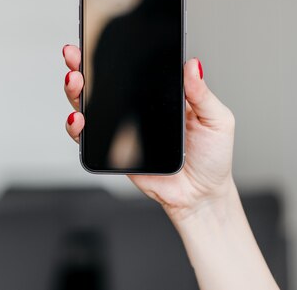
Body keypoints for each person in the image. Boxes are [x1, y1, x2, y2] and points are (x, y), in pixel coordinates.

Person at [62, 45, 281, 290]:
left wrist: (205, 202)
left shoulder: (122, 30)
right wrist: (204, 202)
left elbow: (103, 133)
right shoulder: (124, 31)